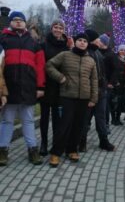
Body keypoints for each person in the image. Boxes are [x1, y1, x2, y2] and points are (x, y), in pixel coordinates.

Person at [46, 33, 98, 167]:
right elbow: (49, 65)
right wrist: (61, 78)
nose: (82, 43)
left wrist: (93, 98)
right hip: (67, 97)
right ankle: (56, 152)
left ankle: (72, 150)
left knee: (78, 126)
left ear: (87, 44)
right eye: (79, 40)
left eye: (84, 41)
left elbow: (94, 80)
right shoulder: (65, 55)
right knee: (64, 126)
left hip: (84, 99)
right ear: (75, 42)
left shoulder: (90, 60)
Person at [0, 11, 45, 166]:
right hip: (9, 88)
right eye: (15, 20)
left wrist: (40, 86)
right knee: (7, 121)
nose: (18, 22)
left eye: (21, 20)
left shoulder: (33, 43)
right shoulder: (3, 40)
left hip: (28, 88)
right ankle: (3, 151)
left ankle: (33, 151)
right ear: (10, 22)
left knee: (28, 121)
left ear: (25, 23)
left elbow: (40, 67)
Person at [79, 29, 115, 152]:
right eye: (97, 39)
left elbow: (102, 72)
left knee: (101, 118)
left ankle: (103, 141)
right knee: (85, 118)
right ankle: (81, 142)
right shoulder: (85, 53)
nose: (99, 41)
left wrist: (104, 86)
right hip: (88, 91)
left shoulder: (98, 53)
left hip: (101, 91)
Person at [39, 19, 69, 156]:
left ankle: (56, 143)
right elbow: (40, 66)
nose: (58, 30)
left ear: (63, 30)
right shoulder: (43, 44)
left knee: (58, 118)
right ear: (52, 28)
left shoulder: (66, 46)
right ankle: (43, 144)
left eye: (60, 28)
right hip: (46, 85)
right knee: (44, 117)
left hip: (60, 86)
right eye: (55, 27)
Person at [99, 33, 119, 131]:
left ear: (104, 43)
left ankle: (106, 124)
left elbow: (116, 70)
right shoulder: (96, 52)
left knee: (105, 106)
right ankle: (88, 123)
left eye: (100, 41)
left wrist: (111, 82)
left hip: (107, 84)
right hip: (96, 82)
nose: (98, 42)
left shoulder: (111, 54)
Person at [116, 44, 125, 125]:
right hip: (117, 83)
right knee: (116, 101)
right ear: (118, 50)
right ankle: (115, 118)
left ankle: (119, 117)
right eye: (121, 50)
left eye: (124, 50)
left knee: (123, 101)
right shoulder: (115, 58)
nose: (123, 52)